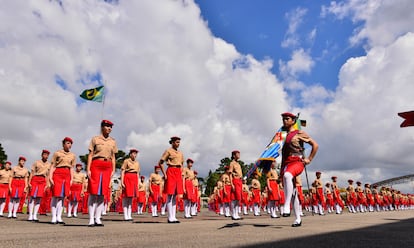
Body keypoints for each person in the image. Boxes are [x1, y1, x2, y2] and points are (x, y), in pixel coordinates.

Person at [280, 112, 318, 227]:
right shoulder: (282, 135)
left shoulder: (299, 132)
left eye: (287, 119)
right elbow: (282, 153)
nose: (284, 121)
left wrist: (309, 159)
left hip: (298, 161)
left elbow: (315, 145)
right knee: (293, 193)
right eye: (283, 119)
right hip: (287, 163)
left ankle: (286, 206)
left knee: (287, 176)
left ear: (293, 121)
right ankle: (298, 219)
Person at [86, 120, 118, 227]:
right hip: (96, 164)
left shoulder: (113, 141)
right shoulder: (95, 139)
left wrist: (113, 169)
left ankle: (98, 218)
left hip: (107, 166)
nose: (109, 128)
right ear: (102, 127)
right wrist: (88, 168)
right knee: (93, 192)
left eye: (111, 127)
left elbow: (113, 157)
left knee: (102, 193)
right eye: (107, 126)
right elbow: (90, 155)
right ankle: (91, 218)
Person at [49, 137, 76, 224]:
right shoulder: (57, 153)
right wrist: (50, 177)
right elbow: (52, 166)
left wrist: (72, 178)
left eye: (70, 143)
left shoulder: (72, 155)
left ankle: (59, 217)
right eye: (68, 143)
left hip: (67, 174)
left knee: (62, 197)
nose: (69, 145)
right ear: (63, 144)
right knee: (55, 196)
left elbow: (72, 168)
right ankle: (53, 217)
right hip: (58, 173)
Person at [158, 136, 184, 223]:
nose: (178, 144)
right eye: (176, 142)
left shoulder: (180, 153)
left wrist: (182, 172)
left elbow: (182, 164)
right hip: (171, 171)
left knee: (175, 195)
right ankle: (170, 217)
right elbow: (160, 162)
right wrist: (164, 174)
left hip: (178, 172)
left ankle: (174, 216)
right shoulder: (168, 151)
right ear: (172, 142)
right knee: (170, 194)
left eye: (179, 142)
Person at [27, 150, 51, 222]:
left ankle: (35, 215)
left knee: (39, 198)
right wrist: (29, 182)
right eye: (44, 154)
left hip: (42, 180)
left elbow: (47, 175)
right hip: (35, 179)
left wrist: (47, 184)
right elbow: (32, 172)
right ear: (42, 155)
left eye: (47, 155)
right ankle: (30, 215)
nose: (45, 156)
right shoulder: (36, 162)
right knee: (32, 197)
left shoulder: (49, 164)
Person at [120, 148, 140, 221]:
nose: (135, 155)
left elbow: (138, 173)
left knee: (131, 197)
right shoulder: (126, 161)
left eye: (136, 154)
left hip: (134, 178)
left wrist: (138, 183)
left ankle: (129, 214)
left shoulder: (137, 163)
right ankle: (125, 215)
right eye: (134, 153)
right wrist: (122, 182)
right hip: (127, 177)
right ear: (130, 154)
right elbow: (122, 171)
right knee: (126, 197)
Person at [228, 150, 243, 220]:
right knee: (234, 198)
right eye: (237, 154)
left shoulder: (238, 164)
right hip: (235, 181)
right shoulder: (232, 163)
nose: (239, 155)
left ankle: (236, 213)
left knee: (238, 199)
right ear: (234, 155)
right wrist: (232, 184)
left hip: (239, 181)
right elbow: (230, 174)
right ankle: (233, 214)